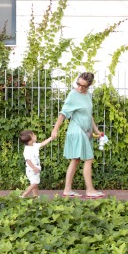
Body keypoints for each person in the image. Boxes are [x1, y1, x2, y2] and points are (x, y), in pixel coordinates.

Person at [50, 71, 105, 199]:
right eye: (78, 84)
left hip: (85, 131)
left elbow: (89, 115)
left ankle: (67, 190)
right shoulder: (73, 95)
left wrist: (96, 130)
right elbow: (63, 113)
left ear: (89, 86)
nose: (79, 87)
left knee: (76, 160)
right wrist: (55, 129)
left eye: (83, 86)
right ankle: (90, 190)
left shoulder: (88, 95)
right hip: (77, 130)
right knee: (88, 159)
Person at [19, 129, 54, 198]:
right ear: (30, 141)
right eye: (33, 135)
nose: (35, 136)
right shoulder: (27, 150)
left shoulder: (34, 145)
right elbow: (28, 160)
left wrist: (51, 138)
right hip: (31, 169)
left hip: (35, 168)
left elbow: (43, 143)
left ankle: (35, 196)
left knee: (35, 183)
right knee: (35, 183)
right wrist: (34, 168)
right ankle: (23, 195)